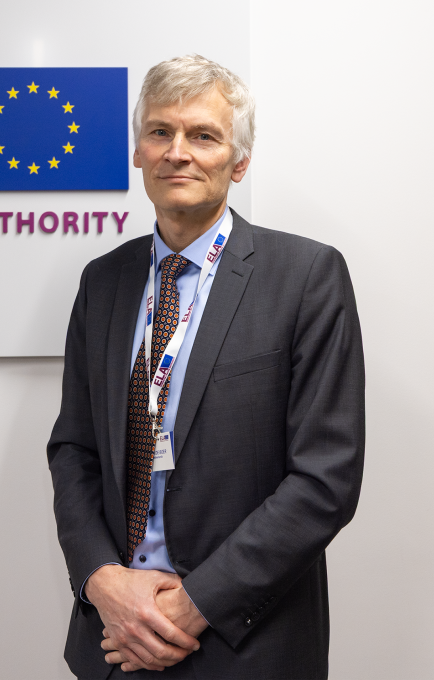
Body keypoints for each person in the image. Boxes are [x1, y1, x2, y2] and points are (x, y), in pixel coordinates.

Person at [46, 55, 365, 679]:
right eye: (160, 132)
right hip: (116, 642)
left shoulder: (305, 277)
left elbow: (325, 478)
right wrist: (103, 582)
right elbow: (74, 449)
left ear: (238, 161)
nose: (177, 152)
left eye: (204, 136)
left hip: (245, 643)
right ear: (138, 152)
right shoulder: (103, 281)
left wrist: (195, 606)